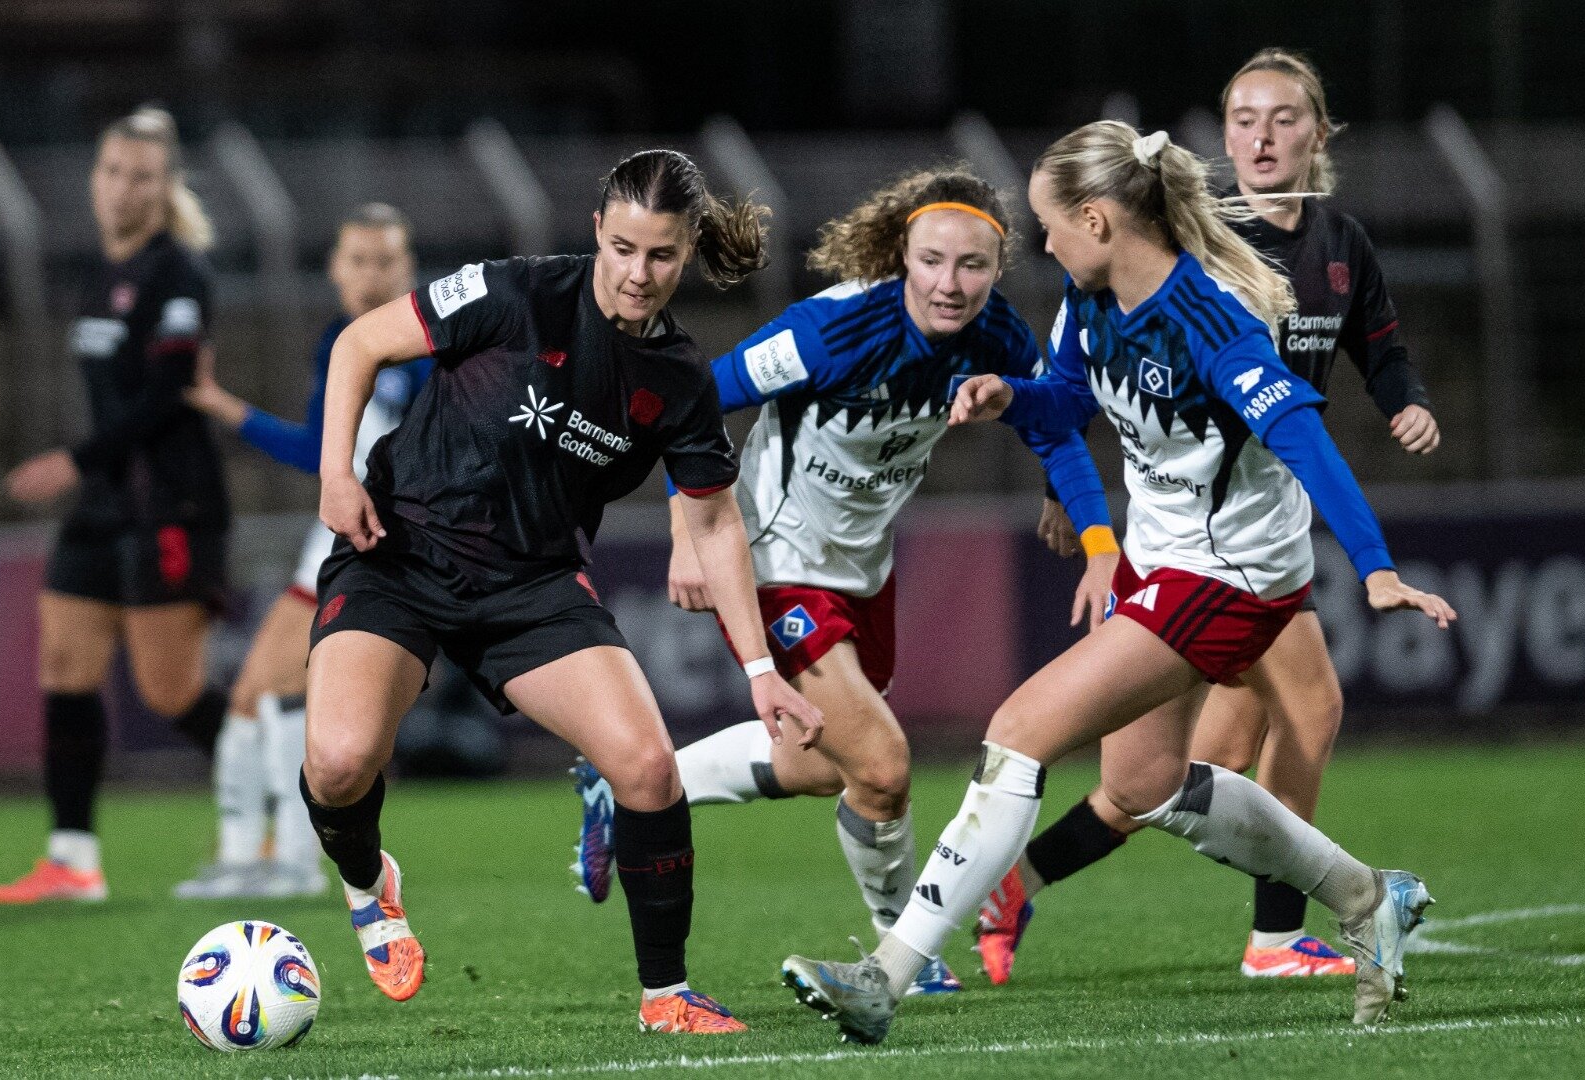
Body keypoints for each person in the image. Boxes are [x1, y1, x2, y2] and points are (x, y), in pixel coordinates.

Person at [779, 120, 1456, 1044]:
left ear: (1097, 220)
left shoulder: (1208, 320)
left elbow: (1307, 438)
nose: (1043, 241)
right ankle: (1366, 895)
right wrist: (1012, 397)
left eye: (1051, 223)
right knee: (1144, 785)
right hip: (1166, 554)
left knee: (1017, 732)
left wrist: (1376, 570)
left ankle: (884, 977)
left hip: (1234, 575)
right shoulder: (1087, 299)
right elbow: (1070, 396)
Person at [302, 149, 825, 1033]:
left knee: (650, 770)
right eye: (622, 248)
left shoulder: (678, 383)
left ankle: (666, 997)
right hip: (398, 553)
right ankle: (369, 885)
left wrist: (760, 669)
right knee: (342, 762)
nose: (637, 273)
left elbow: (714, 524)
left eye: (661, 255)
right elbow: (360, 343)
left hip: (533, 585)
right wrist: (335, 475)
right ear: (597, 233)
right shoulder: (515, 293)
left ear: (688, 248)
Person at [567, 168, 1118, 998]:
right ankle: (904, 950)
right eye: (932, 260)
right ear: (903, 254)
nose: (950, 283)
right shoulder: (834, 330)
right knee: (886, 765)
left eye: (973, 265)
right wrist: (688, 526)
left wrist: (1078, 512)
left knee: (831, 767)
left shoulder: (999, 334)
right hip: (773, 560)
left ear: (998, 267)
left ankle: (632, 790)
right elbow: (693, 398)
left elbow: (1052, 418)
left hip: (864, 571)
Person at [978, 48, 1444, 984]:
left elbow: (1375, 353)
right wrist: (1079, 515)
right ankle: (1278, 931)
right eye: (1242, 119)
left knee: (1196, 766)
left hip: (1263, 526)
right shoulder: (1192, 241)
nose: (1261, 137)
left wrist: (1405, 397)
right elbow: (1094, 374)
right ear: (1222, 137)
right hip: (1212, 541)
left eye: (1282, 118)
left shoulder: (1341, 244)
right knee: (1189, 768)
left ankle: (1027, 884)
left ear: (1320, 132)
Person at [0, 106, 231, 904]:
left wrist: (72, 460)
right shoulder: (97, 274)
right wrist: (88, 472)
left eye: (142, 175)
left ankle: (289, 806)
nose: (124, 188)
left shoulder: (179, 272)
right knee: (64, 664)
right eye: (113, 171)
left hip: (169, 501)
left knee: (167, 691)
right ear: (96, 179)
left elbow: (168, 397)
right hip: (103, 502)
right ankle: (72, 858)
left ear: (166, 188)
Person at [173, 203, 432, 899]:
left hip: (377, 549)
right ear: (335, 268)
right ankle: (248, 858)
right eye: (358, 260)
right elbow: (322, 456)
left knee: (276, 693)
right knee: (256, 695)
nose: (372, 274)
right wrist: (223, 405)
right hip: (332, 542)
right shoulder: (339, 343)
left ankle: (289, 857)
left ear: (408, 268)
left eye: (387, 260)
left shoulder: (424, 350)